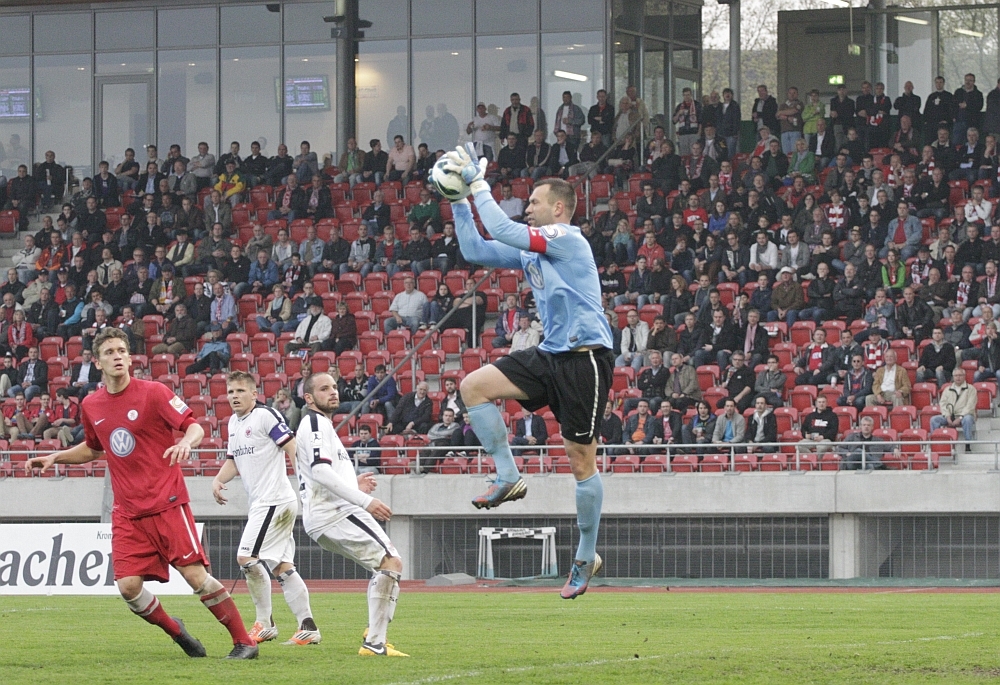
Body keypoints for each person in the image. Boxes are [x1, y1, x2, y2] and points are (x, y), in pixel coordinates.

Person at [24, 329, 256, 658]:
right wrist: (55, 457)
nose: (117, 356)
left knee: (196, 577)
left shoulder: (154, 393)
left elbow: (194, 426)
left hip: (166, 502)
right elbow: (94, 449)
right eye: (109, 352)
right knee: (128, 588)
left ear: (130, 358)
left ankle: (244, 641)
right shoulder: (91, 405)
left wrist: (186, 442)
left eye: (122, 350)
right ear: (97, 362)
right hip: (128, 512)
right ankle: (176, 631)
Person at [445, 144, 613, 599]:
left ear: (558, 208)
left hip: (585, 358)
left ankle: (586, 554)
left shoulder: (567, 238)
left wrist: (478, 184)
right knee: (473, 387)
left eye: (535, 202)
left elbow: (500, 227)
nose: (528, 208)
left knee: (580, 460)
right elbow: (475, 248)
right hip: (550, 353)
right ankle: (507, 475)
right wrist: (458, 200)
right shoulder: (533, 251)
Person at [294, 372, 408, 656]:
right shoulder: (315, 423)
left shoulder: (321, 425)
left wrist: (352, 484)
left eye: (334, 387)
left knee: (387, 566)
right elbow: (320, 471)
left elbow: (319, 473)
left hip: (327, 513)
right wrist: (365, 500)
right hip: (335, 512)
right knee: (390, 561)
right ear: (309, 398)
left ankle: (374, 634)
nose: (333, 392)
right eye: (324, 389)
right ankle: (374, 642)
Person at [212, 371, 319, 645]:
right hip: (265, 503)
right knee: (281, 566)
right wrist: (218, 480)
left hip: (274, 500)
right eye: (230, 392)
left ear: (253, 394)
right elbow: (233, 461)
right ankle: (307, 626)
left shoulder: (265, 415)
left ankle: (265, 623)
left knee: (246, 558)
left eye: (240, 391)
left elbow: (292, 446)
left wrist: (304, 481)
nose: (234, 396)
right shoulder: (233, 423)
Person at [930, 368, 977, 450]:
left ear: (964, 376)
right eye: (956, 375)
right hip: (950, 415)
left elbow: (970, 406)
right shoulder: (947, 389)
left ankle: (968, 443)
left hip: (965, 415)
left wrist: (960, 417)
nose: (958, 377)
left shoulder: (971, 389)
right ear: (953, 377)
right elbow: (943, 404)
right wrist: (947, 416)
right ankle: (936, 442)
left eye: (960, 375)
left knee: (968, 419)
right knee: (934, 419)